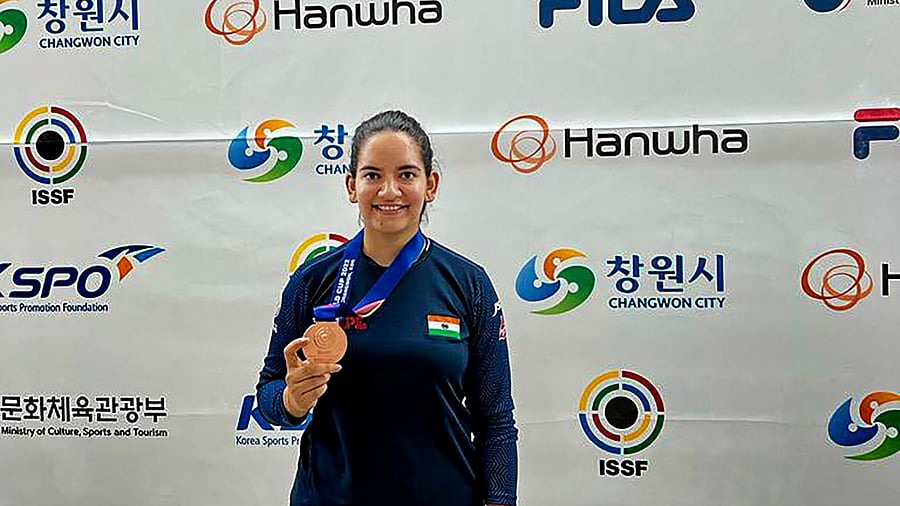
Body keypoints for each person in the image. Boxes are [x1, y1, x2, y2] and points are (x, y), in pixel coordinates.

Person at [256, 110, 518, 506]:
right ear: (351, 185)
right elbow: (269, 393)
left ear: (431, 185)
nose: (389, 191)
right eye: (373, 175)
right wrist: (291, 400)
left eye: (407, 174)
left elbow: (495, 420)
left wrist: (500, 501)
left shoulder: (469, 284)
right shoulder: (312, 282)